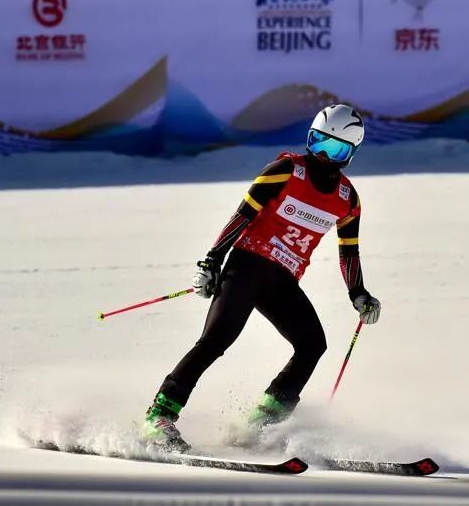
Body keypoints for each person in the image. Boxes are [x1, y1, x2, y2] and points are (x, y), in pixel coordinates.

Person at [141, 104, 381, 452]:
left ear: (351, 154)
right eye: (319, 144)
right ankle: (158, 416)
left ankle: (262, 422)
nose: (325, 156)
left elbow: (349, 252)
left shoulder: (348, 200)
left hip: (283, 282)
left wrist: (358, 293)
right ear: (309, 139)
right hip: (247, 267)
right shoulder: (285, 170)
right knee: (216, 339)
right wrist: (211, 262)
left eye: (337, 149)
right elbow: (241, 217)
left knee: (313, 344)